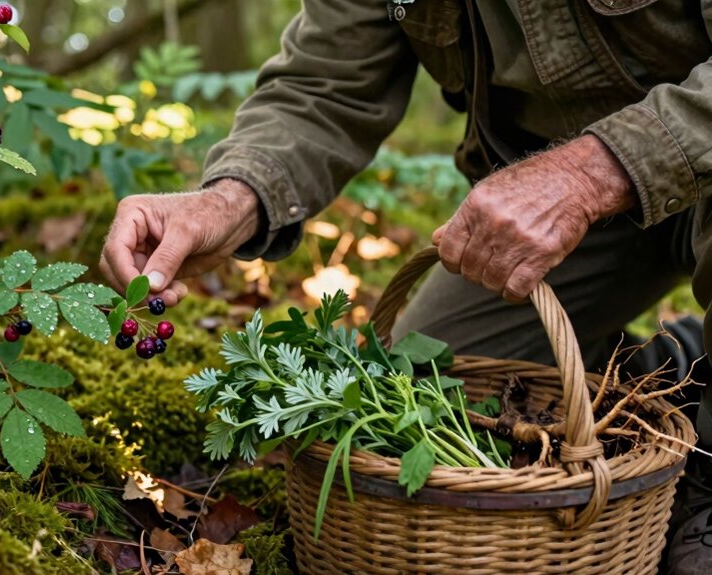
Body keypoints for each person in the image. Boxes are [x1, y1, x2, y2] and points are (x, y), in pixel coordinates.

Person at [100, 2, 712, 572]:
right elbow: (325, 83)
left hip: (684, 150)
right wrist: (230, 198)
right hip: (561, 207)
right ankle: (675, 372)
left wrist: (591, 171)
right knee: (430, 370)